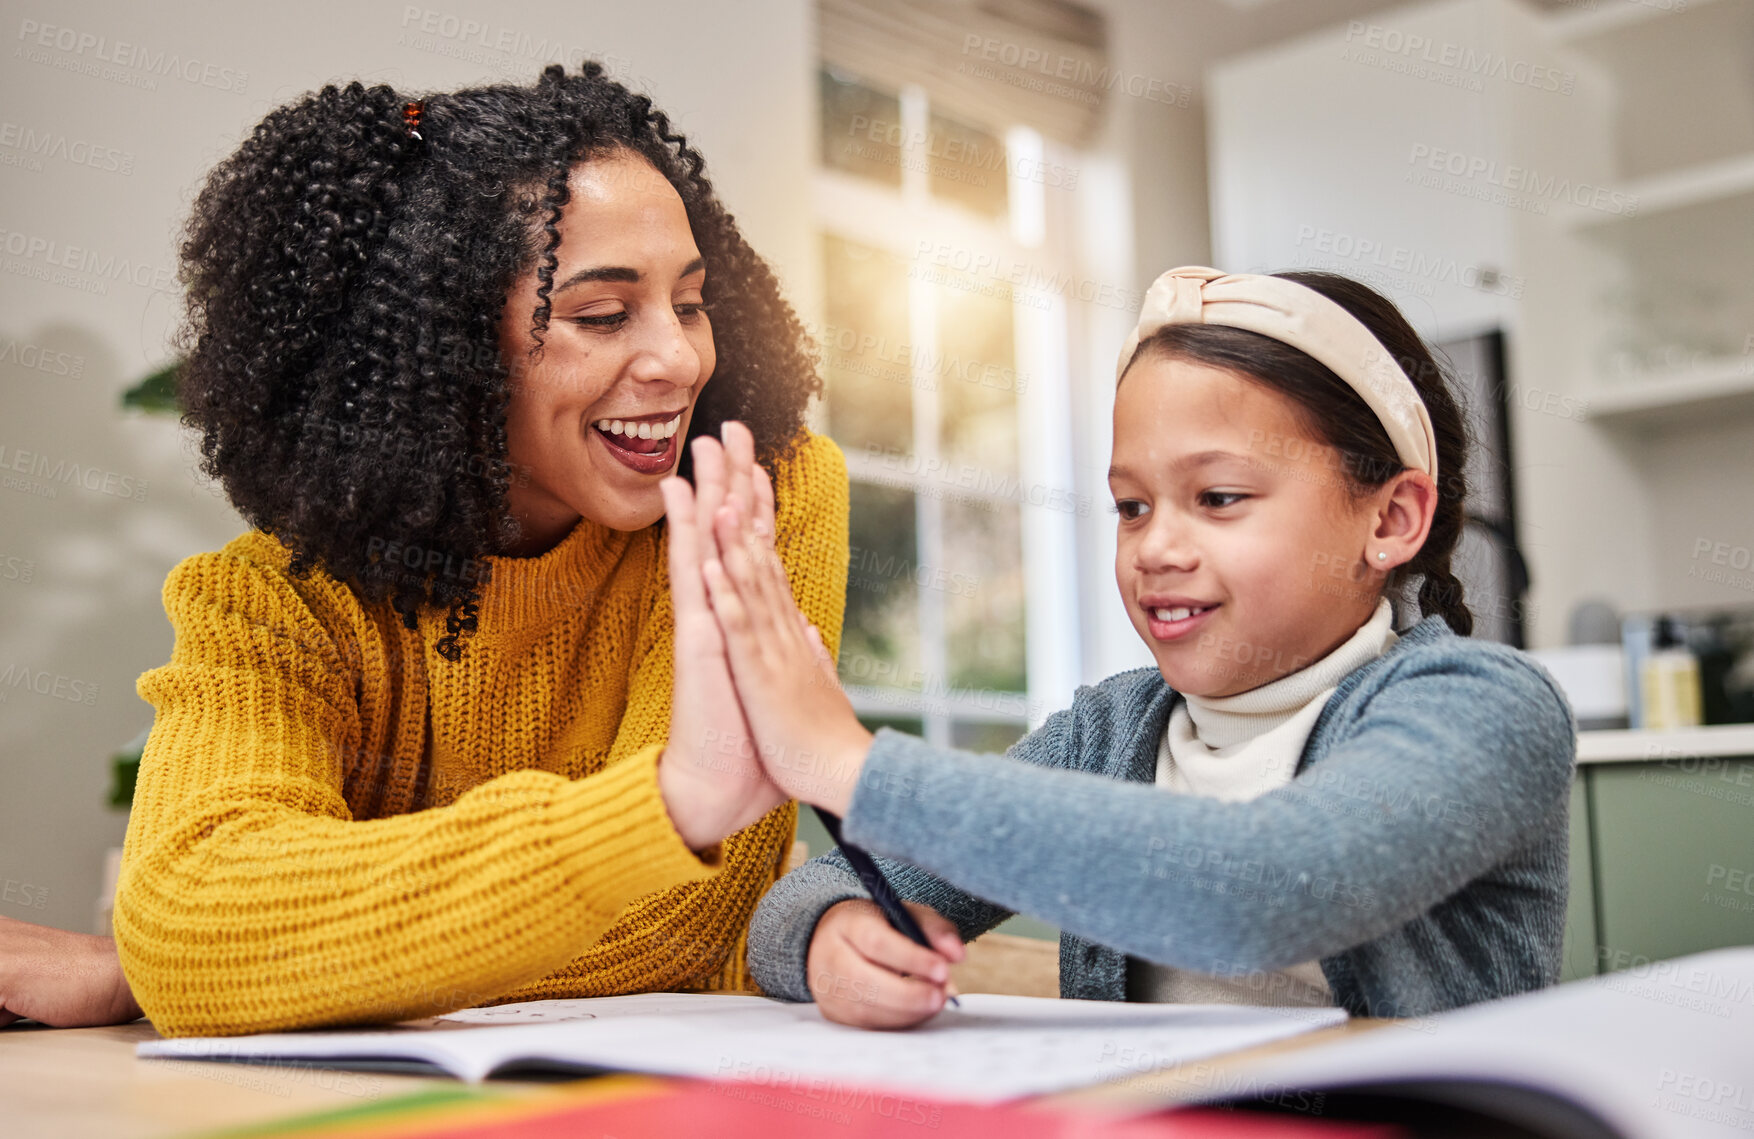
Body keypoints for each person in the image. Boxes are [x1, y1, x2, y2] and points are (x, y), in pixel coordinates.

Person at [0, 62, 848, 1036]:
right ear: (440, 347)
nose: (680, 358)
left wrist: (275, 961)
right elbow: (196, 920)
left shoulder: (745, 493)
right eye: (602, 314)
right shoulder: (270, 598)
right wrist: (203, 956)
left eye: (691, 302)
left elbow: (669, 924)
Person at [686, 266, 1575, 1029]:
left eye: (1220, 497)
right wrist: (833, 941)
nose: (1156, 549)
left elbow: (1266, 888)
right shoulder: (1109, 732)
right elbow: (793, 907)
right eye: (1133, 505)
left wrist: (851, 764)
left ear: (1389, 518)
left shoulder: (1481, 704)